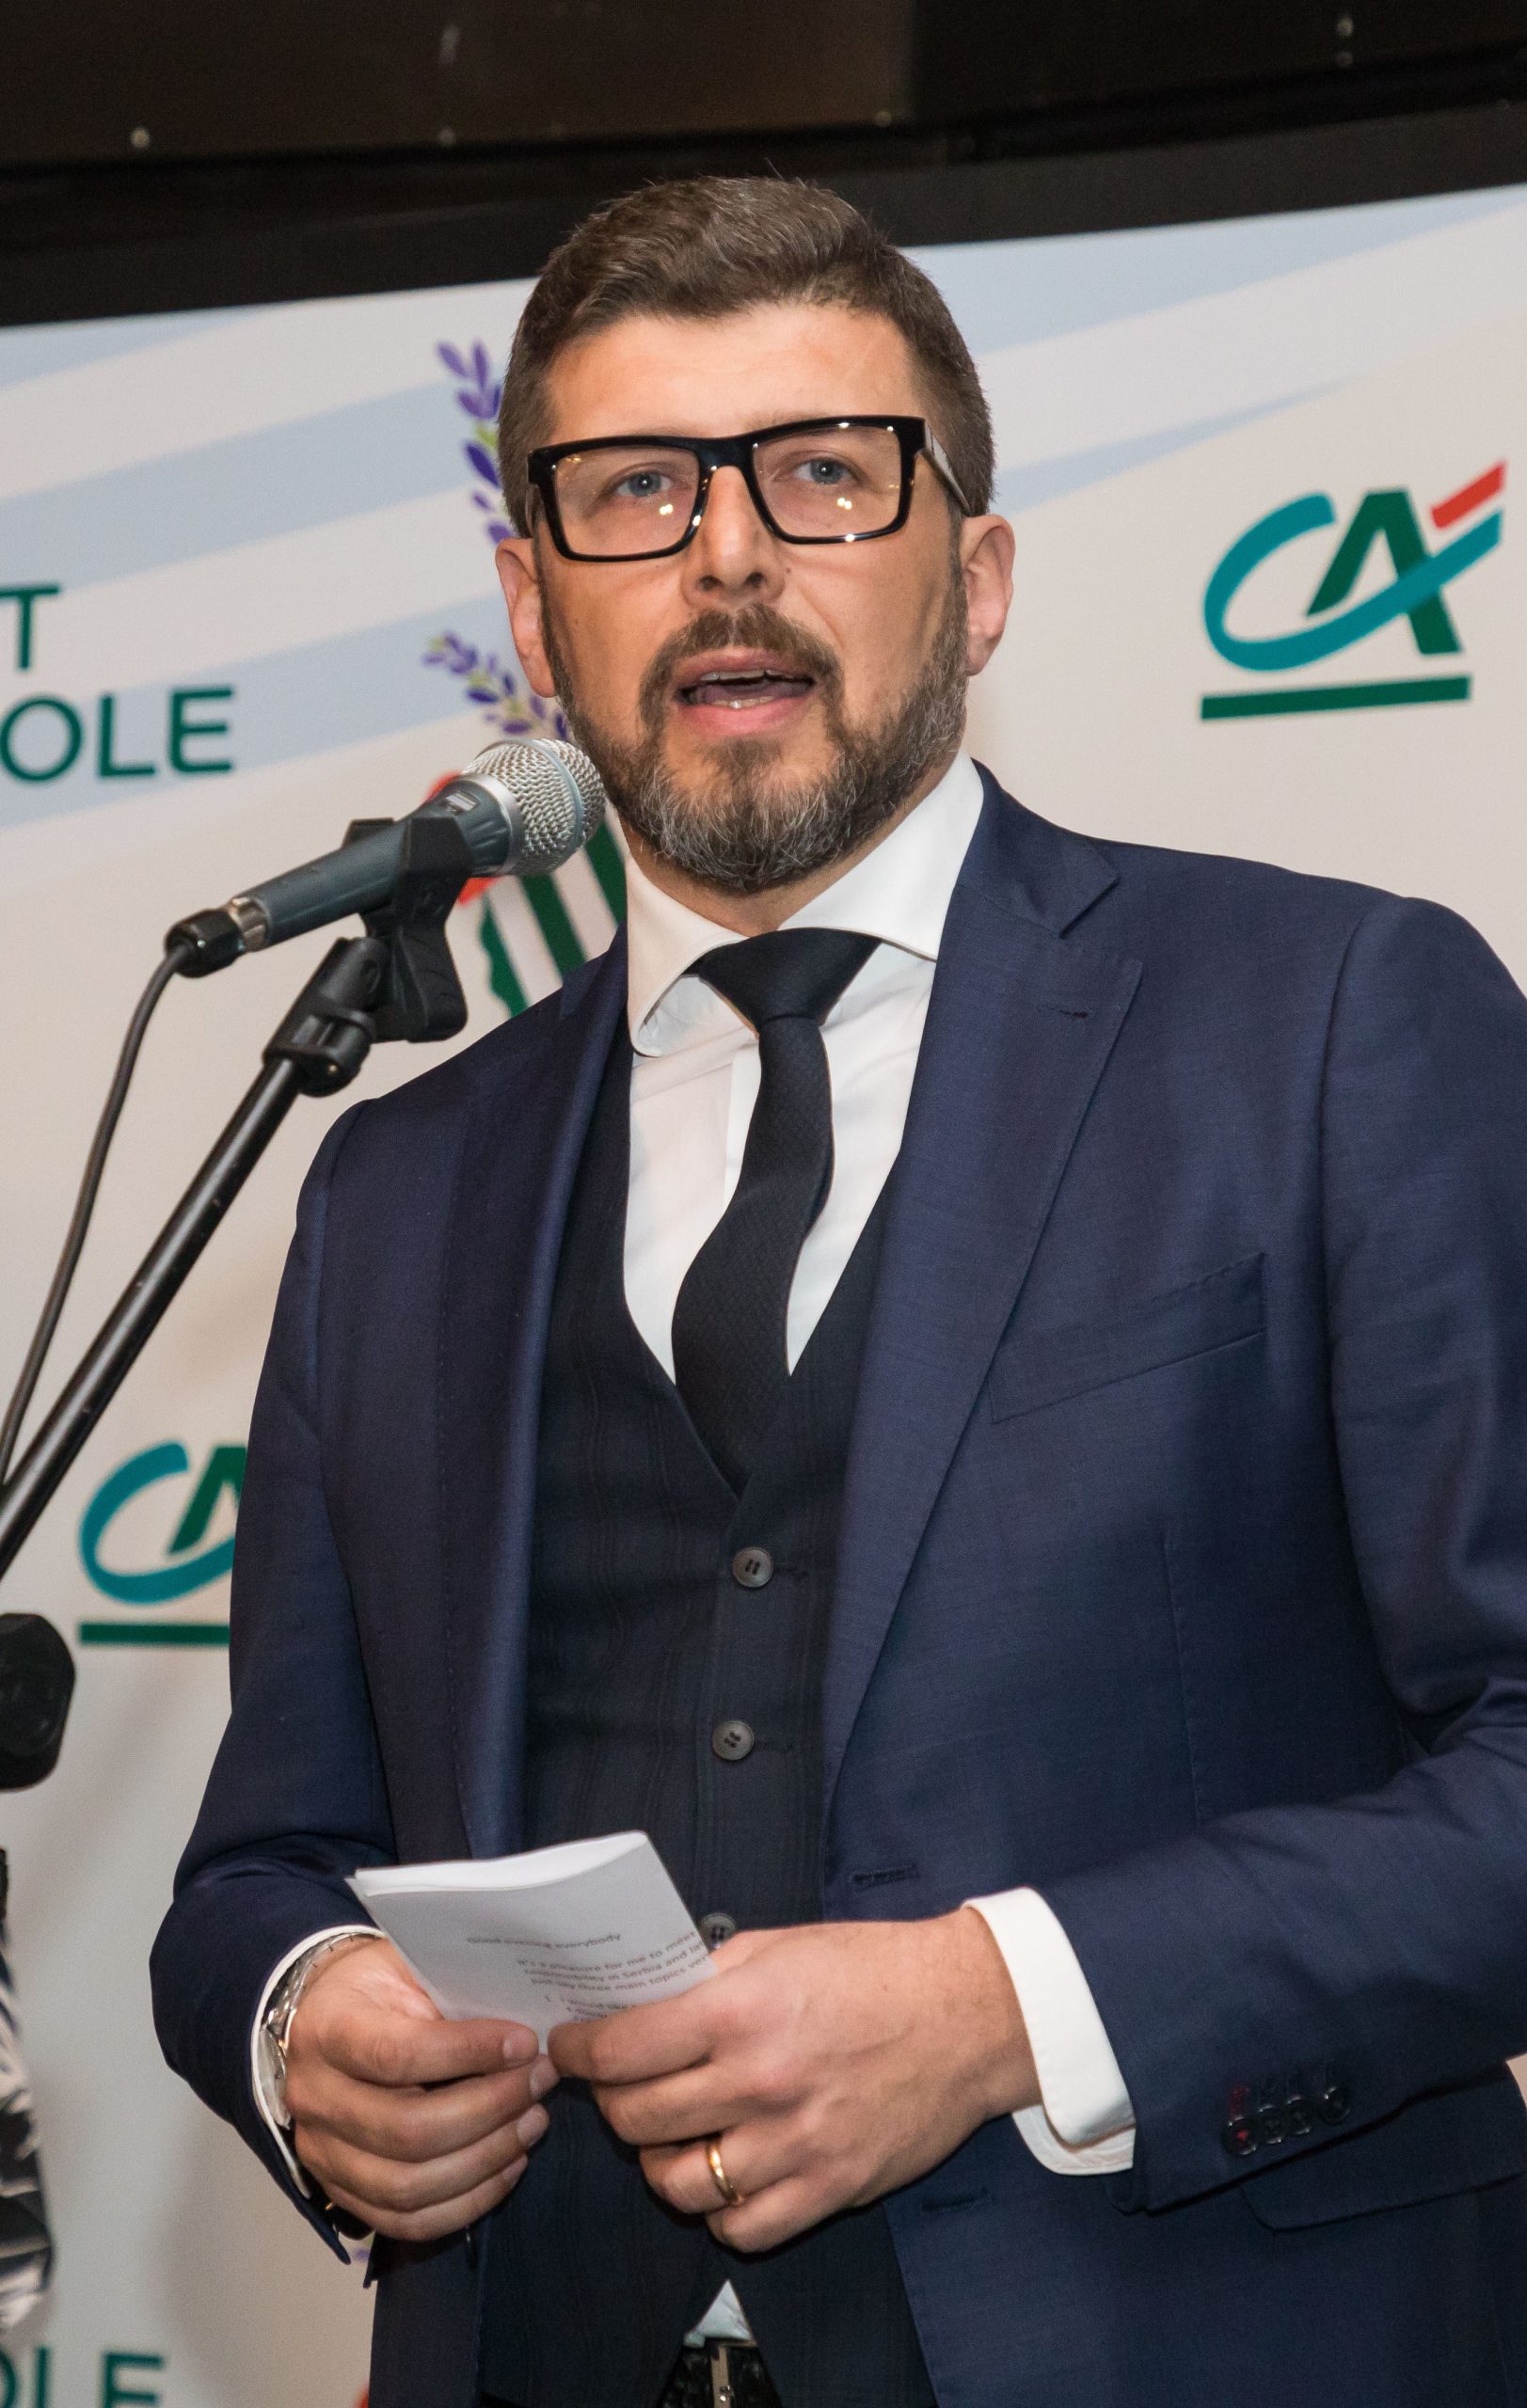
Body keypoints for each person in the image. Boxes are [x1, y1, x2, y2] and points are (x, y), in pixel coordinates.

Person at [152, 176, 1527, 2408]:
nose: (724, 554)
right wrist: (303, 2015)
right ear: (531, 605)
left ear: (972, 578)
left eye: (818, 472)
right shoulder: (393, 1183)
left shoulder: (1324, 1022)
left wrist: (1006, 2003)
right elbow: (264, 1862)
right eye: (633, 490)